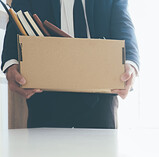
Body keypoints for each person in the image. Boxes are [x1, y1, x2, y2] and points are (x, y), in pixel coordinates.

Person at [1, 0, 140, 129]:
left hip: (100, 100)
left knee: (99, 155)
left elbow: (123, 23)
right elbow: (15, 25)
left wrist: (131, 64)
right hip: (45, 99)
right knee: (44, 155)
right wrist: (11, 65)